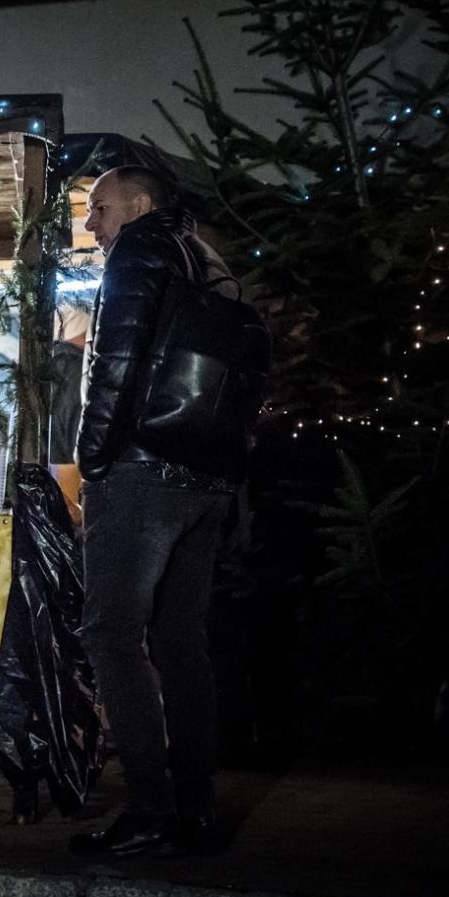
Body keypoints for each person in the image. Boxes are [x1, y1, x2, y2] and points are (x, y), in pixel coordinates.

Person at [70, 166, 266, 857]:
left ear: (141, 204)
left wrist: (91, 455)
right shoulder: (210, 261)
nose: (90, 223)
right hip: (206, 478)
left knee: (112, 633)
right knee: (181, 640)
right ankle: (196, 808)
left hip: (143, 471)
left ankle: (149, 807)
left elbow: (117, 356)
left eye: (99, 207)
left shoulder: (141, 250)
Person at [48, 301, 92, 525]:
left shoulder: (40, 371)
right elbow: (81, 443)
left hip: (46, 494)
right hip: (74, 501)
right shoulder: (78, 373)